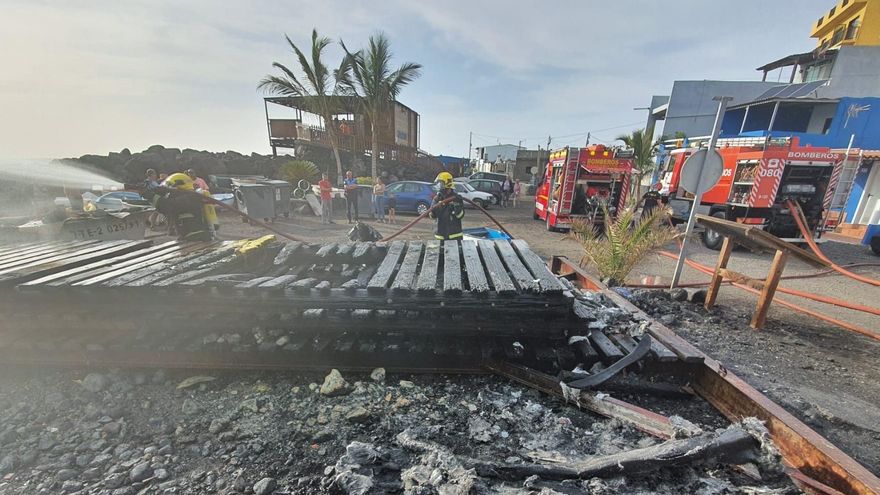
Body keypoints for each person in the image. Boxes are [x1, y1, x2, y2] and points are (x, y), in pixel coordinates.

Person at [141, 172, 211, 242]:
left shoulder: (188, 197)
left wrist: (151, 196)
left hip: (195, 235)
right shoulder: (189, 195)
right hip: (191, 235)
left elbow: (168, 206)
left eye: (173, 187)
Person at [429, 172, 465, 241]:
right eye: (438, 184)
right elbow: (432, 216)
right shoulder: (437, 198)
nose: (439, 187)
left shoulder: (457, 198)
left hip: (455, 237)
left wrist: (456, 206)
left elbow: (460, 216)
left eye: (441, 184)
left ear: (448, 184)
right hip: (440, 236)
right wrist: (435, 209)